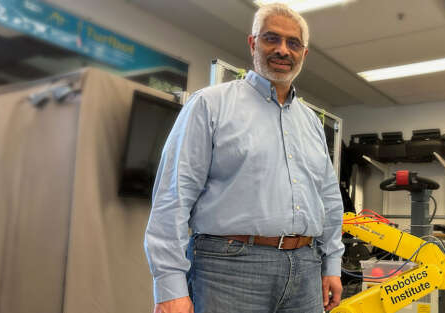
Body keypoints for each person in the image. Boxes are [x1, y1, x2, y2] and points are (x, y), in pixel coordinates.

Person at [144, 3, 343, 313]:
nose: (282, 50)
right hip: (228, 269)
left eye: (293, 43)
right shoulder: (210, 105)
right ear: (253, 43)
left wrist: (332, 264)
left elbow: (328, 197)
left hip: (306, 268)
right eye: (271, 38)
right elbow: (174, 196)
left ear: (304, 54)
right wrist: (169, 286)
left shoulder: (311, 122)